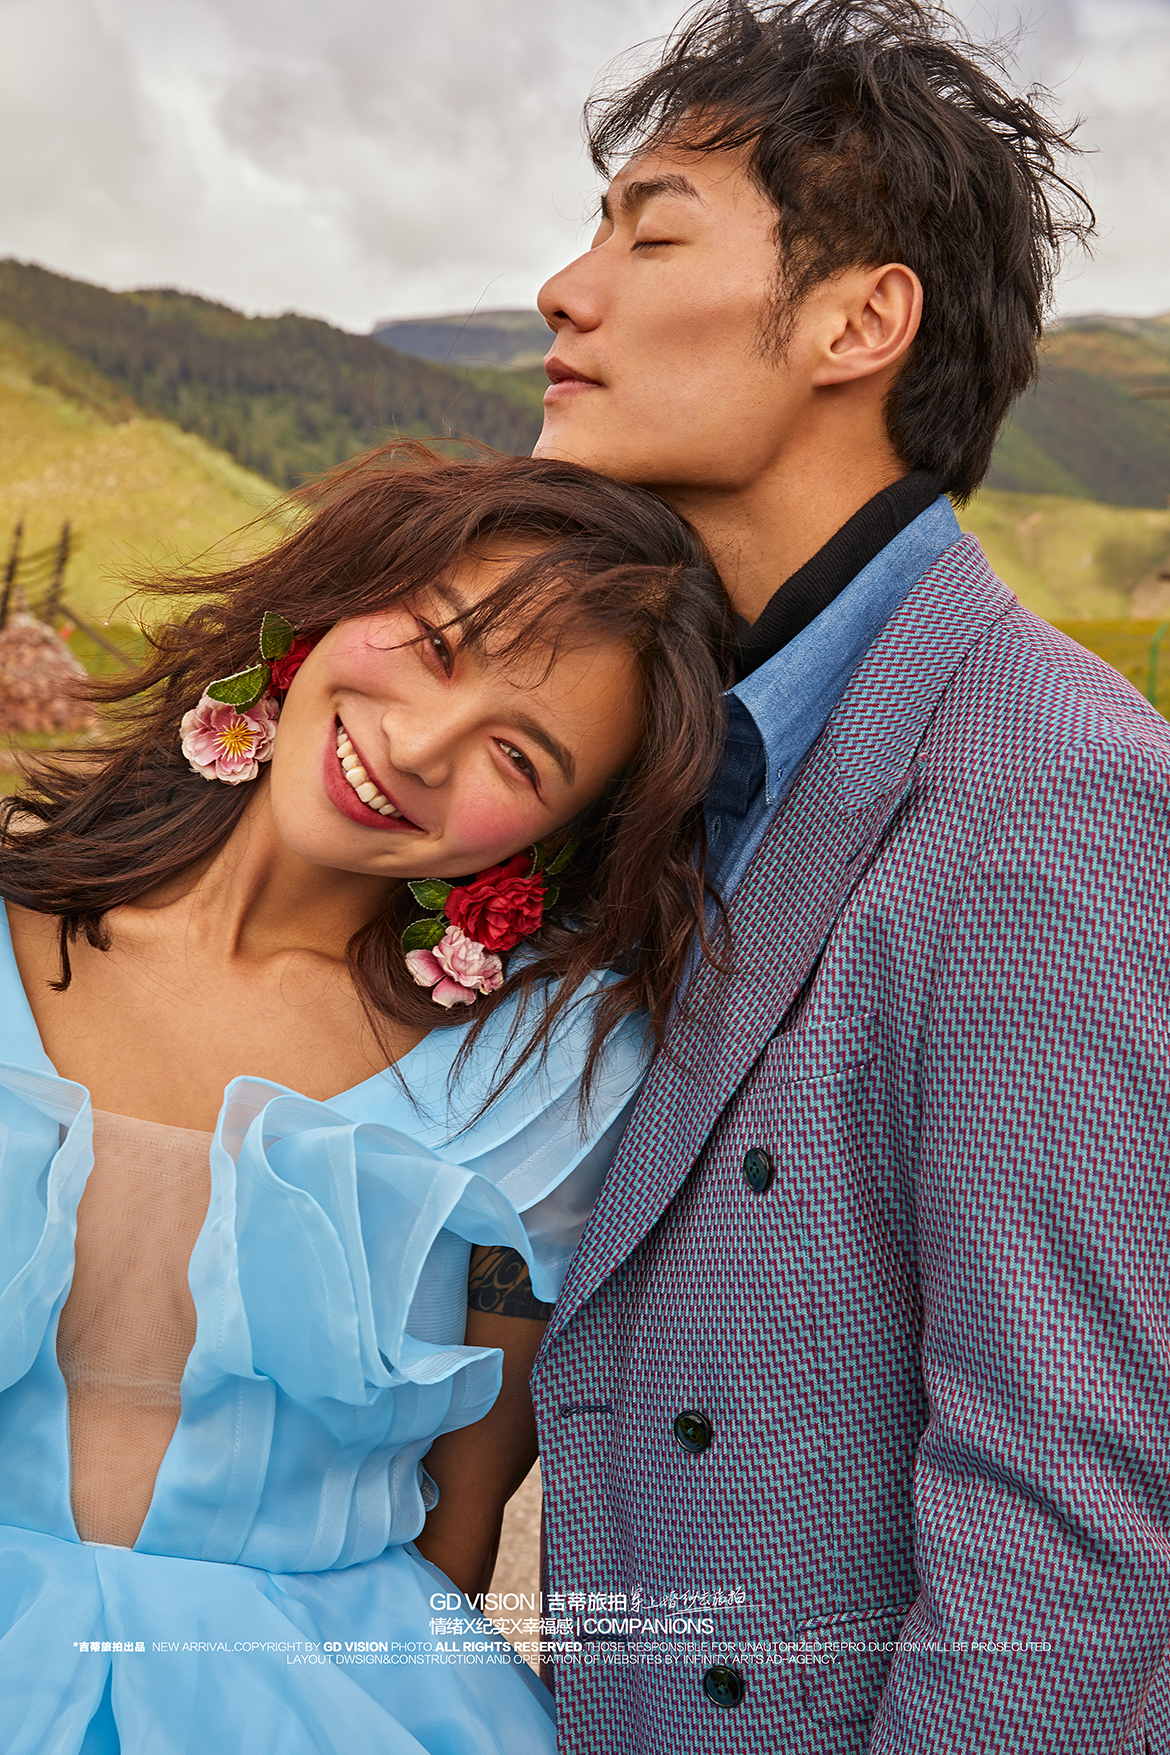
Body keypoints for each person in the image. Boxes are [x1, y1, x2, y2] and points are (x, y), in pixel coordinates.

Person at [529, 2, 1170, 1750]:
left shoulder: (1054, 794)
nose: (564, 291)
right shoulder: (682, 747)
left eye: (652, 233)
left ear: (857, 322)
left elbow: (1067, 1544)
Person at [0, 445, 732, 1754]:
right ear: (336, 598)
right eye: (436, 645)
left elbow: (464, 1515)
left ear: (552, 837)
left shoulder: (539, 1084)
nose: (416, 745)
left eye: (518, 755)